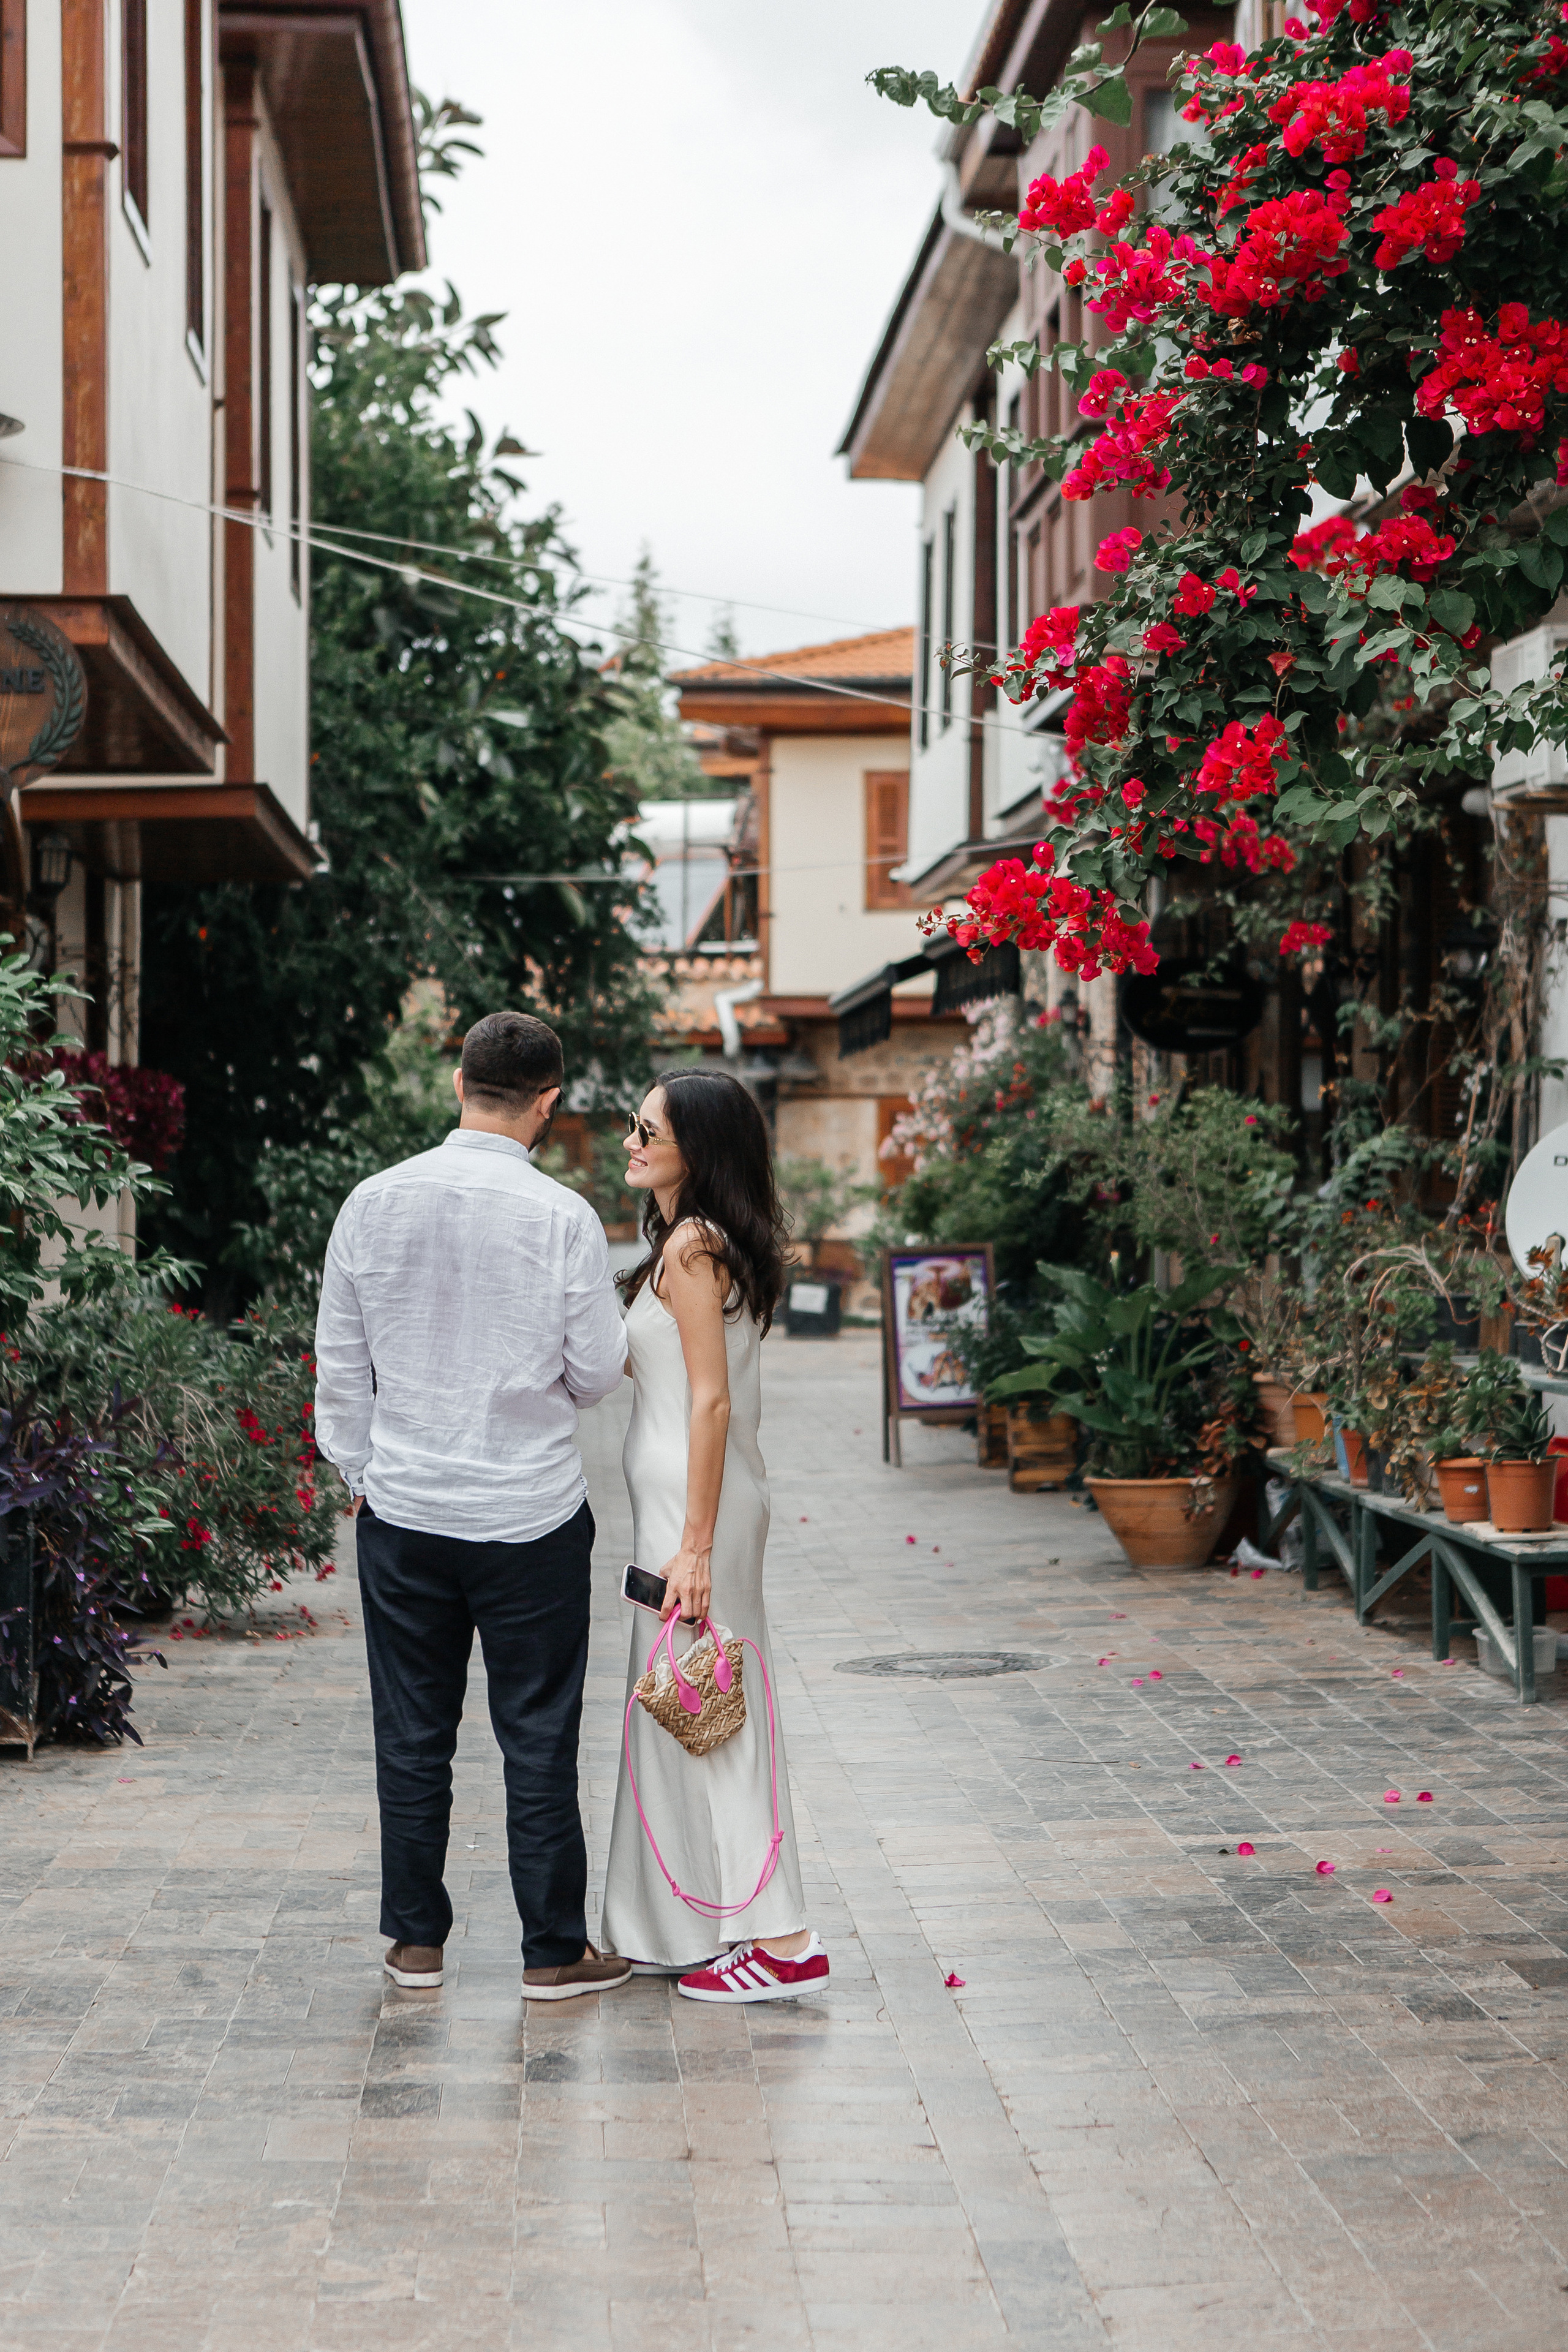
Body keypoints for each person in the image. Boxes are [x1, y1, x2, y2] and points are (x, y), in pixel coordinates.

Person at [314, 1011, 632, 2003]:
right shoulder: (564, 1218)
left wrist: (364, 1475)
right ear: (547, 1104)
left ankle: (416, 1944)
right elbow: (596, 1373)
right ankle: (550, 1953)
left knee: (411, 1730)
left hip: (405, 1510)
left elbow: (338, 1365)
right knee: (538, 1732)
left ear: (459, 1085)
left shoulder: (372, 1202)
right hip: (530, 1513)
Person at [600, 1068, 829, 2002]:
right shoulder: (683, 1242)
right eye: (632, 1125)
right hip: (685, 1508)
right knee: (685, 1703)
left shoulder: (693, 1245)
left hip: (701, 1514)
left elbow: (711, 1400)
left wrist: (693, 1546)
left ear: (697, 1148)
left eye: (647, 1130)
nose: (631, 1141)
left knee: (717, 1709)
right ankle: (690, 1920)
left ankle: (784, 1941)